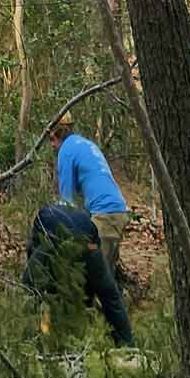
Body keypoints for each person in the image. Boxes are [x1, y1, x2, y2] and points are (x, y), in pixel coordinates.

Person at [22, 202, 135, 348]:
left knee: (29, 293)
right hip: (89, 246)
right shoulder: (82, 219)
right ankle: (128, 347)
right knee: (109, 296)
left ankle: (27, 344)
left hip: (57, 242)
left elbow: (31, 283)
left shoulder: (44, 225)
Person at [49, 113, 129, 275]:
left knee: (92, 276)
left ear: (56, 134)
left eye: (51, 139)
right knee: (104, 272)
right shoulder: (85, 144)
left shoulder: (66, 151)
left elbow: (67, 203)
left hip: (105, 218)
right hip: (116, 214)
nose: (51, 145)